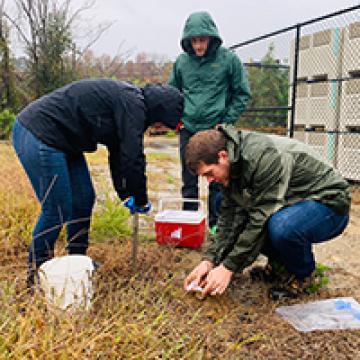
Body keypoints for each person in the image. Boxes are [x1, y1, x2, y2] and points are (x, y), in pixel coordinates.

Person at [12, 79, 183, 287]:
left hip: (66, 141)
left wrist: (126, 194)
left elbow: (119, 155)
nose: (158, 128)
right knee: (56, 209)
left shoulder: (130, 105)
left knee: (84, 199)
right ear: (159, 110)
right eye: (162, 123)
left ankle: (77, 263)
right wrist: (141, 197)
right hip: (38, 132)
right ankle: (35, 275)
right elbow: (133, 157)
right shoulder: (133, 105)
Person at [183, 125, 350, 299]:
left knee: (281, 226)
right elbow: (230, 219)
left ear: (223, 156)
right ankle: (279, 266)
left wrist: (228, 268)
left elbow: (259, 219)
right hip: (292, 200)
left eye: (209, 173)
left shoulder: (263, 158)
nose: (209, 180)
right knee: (221, 203)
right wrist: (210, 261)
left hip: (329, 204)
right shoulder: (232, 163)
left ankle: (302, 275)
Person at [168, 11, 251, 232]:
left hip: (216, 129)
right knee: (189, 177)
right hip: (189, 128)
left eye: (202, 39)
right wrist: (177, 120)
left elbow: (242, 93)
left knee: (216, 177)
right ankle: (189, 223)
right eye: (194, 40)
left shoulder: (228, 59)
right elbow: (171, 94)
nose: (198, 45)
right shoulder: (182, 62)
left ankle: (217, 224)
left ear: (211, 37)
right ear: (188, 40)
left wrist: (226, 121)